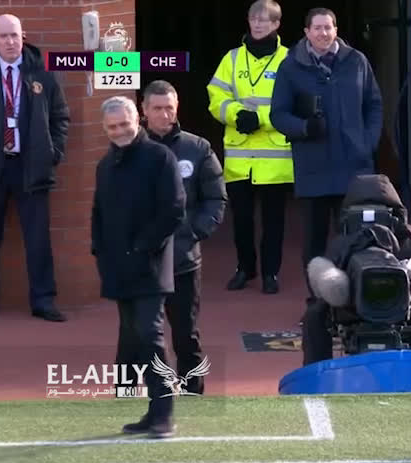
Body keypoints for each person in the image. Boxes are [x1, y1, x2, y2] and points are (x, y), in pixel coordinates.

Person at [0, 14, 70, 322]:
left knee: (38, 238)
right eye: (4, 36)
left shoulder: (42, 71)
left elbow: (60, 117)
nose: (10, 42)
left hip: (31, 167)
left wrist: (52, 153)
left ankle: (43, 300)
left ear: (23, 37)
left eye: (15, 35)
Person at [270, 7, 383, 298]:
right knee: (315, 243)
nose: (323, 33)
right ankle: (318, 301)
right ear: (306, 32)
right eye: (317, 28)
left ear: (336, 30)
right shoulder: (290, 67)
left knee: (357, 237)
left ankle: (354, 300)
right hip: (314, 168)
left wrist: (368, 142)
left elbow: (374, 105)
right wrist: (304, 127)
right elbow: (278, 115)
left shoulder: (356, 61)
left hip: (354, 167)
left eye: (328, 27)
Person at [92, 96, 186, 438]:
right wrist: (100, 253)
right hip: (119, 268)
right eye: (112, 127)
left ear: (137, 121)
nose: (119, 131)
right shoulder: (105, 165)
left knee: (150, 334)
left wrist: (143, 247)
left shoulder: (160, 157)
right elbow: (98, 213)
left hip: (149, 267)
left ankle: (164, 413)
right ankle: (152, 411)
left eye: (124, 124)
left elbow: (174, 209)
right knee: (135, 337)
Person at [301, 174, 411, 366]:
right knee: (315, 314)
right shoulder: (343, 243)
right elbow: (320, 289)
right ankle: (317, 375)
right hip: (354, 309)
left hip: (403, 308)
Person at [142, 80, 227, 395]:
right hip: (143, 261)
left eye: (169, 108)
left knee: (185, 335)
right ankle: (152, 394)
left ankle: (193, 393)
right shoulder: (131, 149)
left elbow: (215, 199)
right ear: (144, 110)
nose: (164, 115)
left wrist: (193, 233)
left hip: (183, 260)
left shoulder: (198, 148)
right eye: (157, 108)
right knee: (141, 335)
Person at [207, 0, 292, 294]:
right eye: (254, 19)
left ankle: (271, 273)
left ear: (276, 24)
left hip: (275, 159)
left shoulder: (289, 60)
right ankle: (245, 268)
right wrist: (236, 114)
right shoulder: (231, 59)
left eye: (264, 20)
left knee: (273, 222)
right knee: (241, 220)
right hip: (239, 157)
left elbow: (295, 104)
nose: (257, 24)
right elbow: (216, 96)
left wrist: (261, 118)